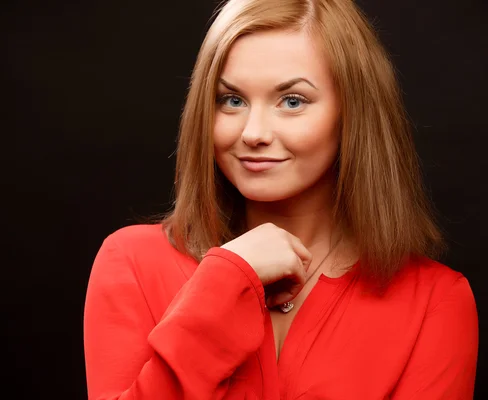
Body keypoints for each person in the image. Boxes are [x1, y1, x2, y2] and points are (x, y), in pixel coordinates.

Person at [83, 0, 479, 398]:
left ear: (353, 114)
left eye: (292, 101)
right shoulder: (132, 263)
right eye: (231, 100)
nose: (254, 132)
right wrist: (226, 283)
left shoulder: (435, 302)